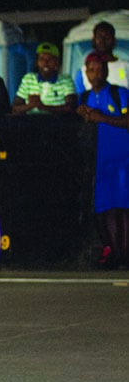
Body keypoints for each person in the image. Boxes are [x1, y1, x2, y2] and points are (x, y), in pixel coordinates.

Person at [76, 51, 129, 268]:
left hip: (122, 161)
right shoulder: (84, 98)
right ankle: (113, 252)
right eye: (92, 69)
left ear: (107, 71)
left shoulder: (119, 93)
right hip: (99, 164)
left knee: (123, 208)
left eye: (101, 69)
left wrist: (102, 117)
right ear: (87, 73)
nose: (97, 73)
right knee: (103, 209)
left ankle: (124, 254)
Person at [12, 42, 77, 115]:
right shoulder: (28, 79)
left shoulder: (66, 80)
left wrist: (43, 107)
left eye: (50, 59)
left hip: (57, 124)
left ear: (57, 62)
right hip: (31, 124)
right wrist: (30, 105)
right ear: (36, 62)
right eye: (42, 59)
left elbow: (71, 108)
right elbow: (15, 108)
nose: (45, 62)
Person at [74, 21, 129, 93]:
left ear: (114, 41)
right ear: (93, 41)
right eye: (99, 37)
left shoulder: (126, 66)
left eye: (107, 37)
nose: (103, 41)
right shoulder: (83, 72)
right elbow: (80, 100)